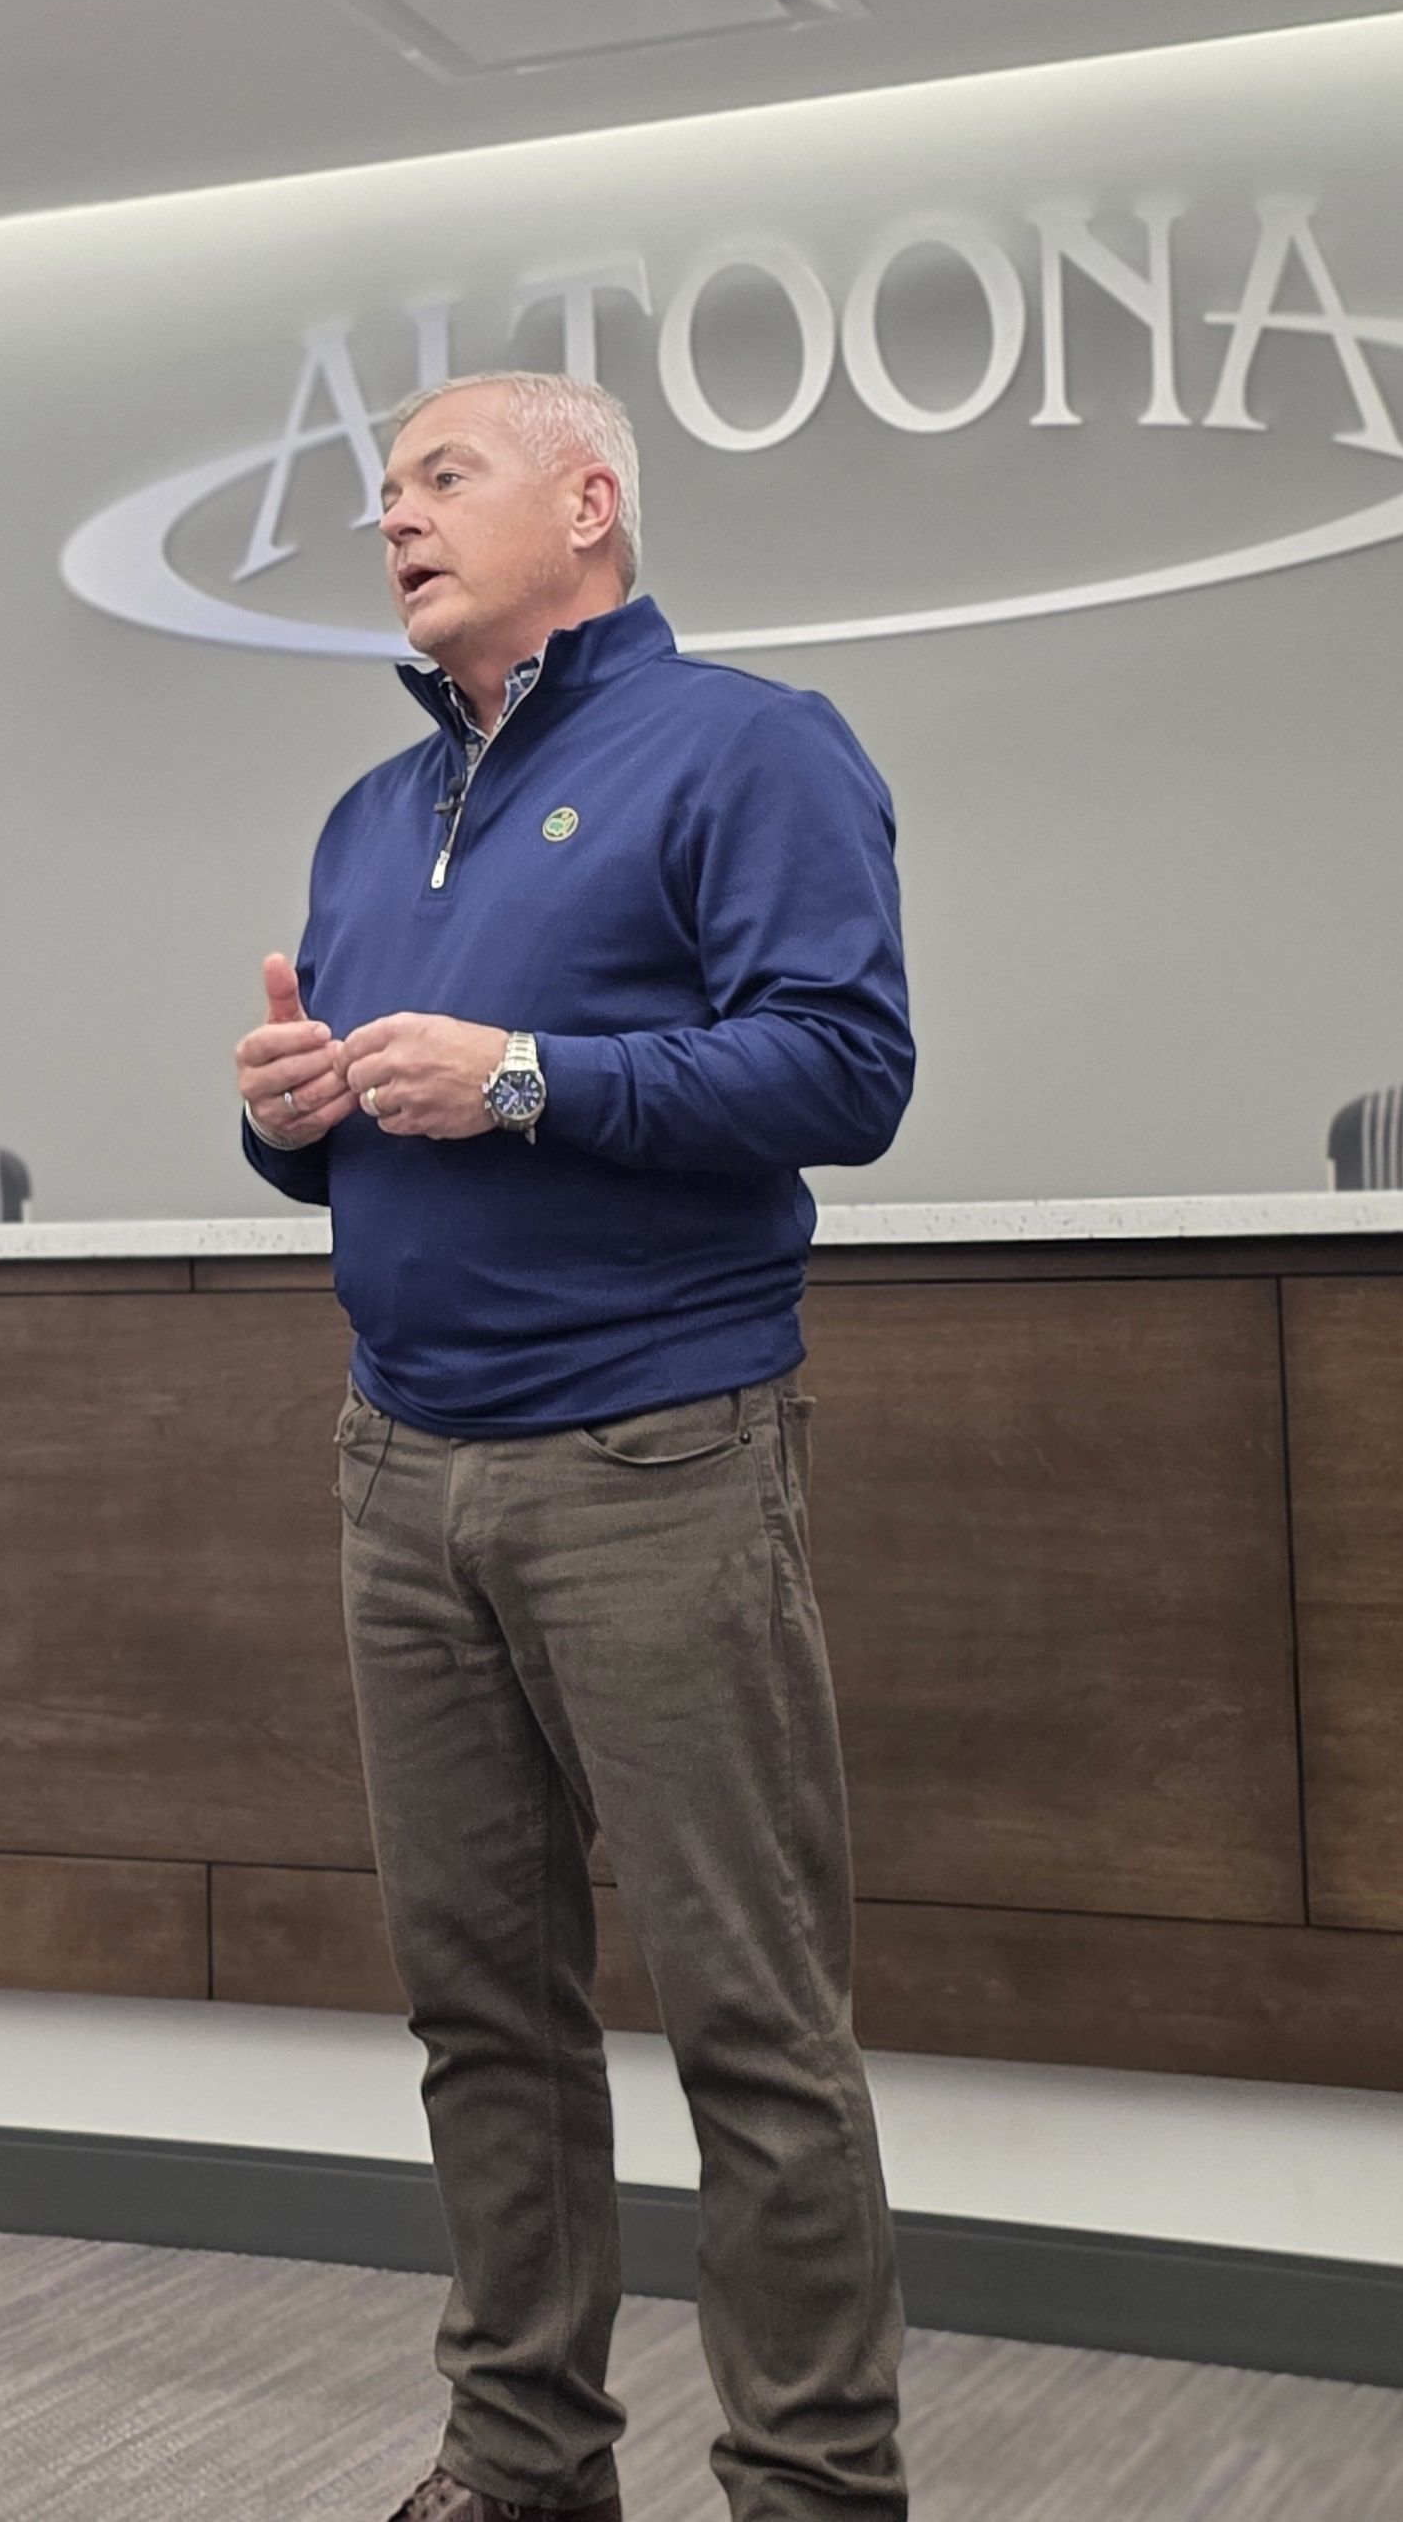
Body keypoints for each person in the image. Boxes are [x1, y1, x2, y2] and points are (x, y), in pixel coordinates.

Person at [234, 373, 914, 2522]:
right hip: (396, 1470)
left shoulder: (746, 746)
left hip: (649, 1464)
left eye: (440, 478)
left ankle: (811, 2489)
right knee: (481, 2019)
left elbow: (843, 1067)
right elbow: (377, 1123)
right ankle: (521, 2462)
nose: (393, 520)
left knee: (748, 2023)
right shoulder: (366, 814)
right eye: (381, 494)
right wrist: (281, 1122)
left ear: (588, 503)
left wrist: (531, 1077)